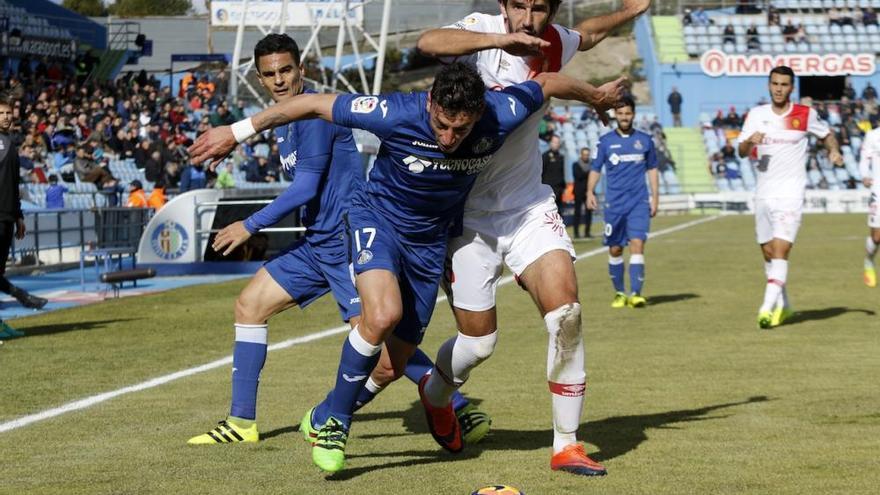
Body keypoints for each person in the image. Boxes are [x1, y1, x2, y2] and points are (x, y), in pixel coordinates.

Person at [190, 61, 620, 473]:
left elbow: (545, 83)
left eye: (462, 129)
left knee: (393, 365)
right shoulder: (395, 112)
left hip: (429, 243)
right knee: (381, 315)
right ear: (431, 103)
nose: (450, 137)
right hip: (376, 219)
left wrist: (595, 96)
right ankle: (336, 425)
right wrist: (237, 131)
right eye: (442, 125)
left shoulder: (501, 112)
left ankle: (324, 412)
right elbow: (312, 103)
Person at [186, 36, 487, 450]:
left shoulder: (314, 114)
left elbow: (306, 186)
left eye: (286, 70)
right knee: (250, 305)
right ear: (259, 77)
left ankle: (455, 404)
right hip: (318, 243)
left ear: (302, 68)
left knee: (377, 339)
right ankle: (241, 421)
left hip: (349, 238)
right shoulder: (284, 123)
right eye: (270, 74)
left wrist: (249, 225)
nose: (279, 80)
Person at [407, 0, 643, 478]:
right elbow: (428, 43)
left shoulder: (554, 40)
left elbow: (589, 33)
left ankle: (566, 446)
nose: (528, 16)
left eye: (539, 7)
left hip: (528, 208)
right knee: (478, 345)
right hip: (468, 218)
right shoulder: (480, 32)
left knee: (567, 315)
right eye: (519, 5)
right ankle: (435, 394)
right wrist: (499, 39)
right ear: (503, 5)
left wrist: (629, 9)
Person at [736, 66, 842, 329]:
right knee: (769, 254)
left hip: (791, 193)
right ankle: (785, 306)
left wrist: (834, 152)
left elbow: (827, 135)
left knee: (781, 251)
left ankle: (765, 309)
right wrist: (751, 141)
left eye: (784, 84)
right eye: (775, 84)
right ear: (769, 85)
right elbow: (740, 150)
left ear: (791, 88)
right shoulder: (757, 115)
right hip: (764, 193)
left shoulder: (805, 114)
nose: (779, 88)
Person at [587, 97, 658, 308]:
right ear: (615, 115)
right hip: (615, 204)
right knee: (616, 249)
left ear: (634, 114)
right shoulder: (605, 142)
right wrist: (590, 191)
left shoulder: (645, 141)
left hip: (639, 201)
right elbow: (596, 168)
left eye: (627, 113)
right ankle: (619, 293)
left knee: (637, 243)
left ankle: (636, 294)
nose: (624, 117)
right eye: (620, 114)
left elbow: (652, 169)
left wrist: (656, 197)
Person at [0, 95, 47, 314]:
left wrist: (18, 215)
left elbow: (12, 182)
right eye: (1, 113)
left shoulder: (10, 143)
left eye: (8, 113)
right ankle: (22, 296)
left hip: (7, 216)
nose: (6, 117)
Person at [858, 124, 880, 287]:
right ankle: (869, 261)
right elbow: (864, 159)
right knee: (877, 236)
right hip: (878, 190)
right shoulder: (873, 135)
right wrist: (865, 175)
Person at [542, 134, 566, 216]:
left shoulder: (561, 157)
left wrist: (564, 187)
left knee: (558, 213)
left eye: (557, 142)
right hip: (548, 191)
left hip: (559, 190)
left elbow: (561, 173)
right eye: (554, 142)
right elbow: (541, 173)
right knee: (549, 213)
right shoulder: (545, 156)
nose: (556, 144)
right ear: (550, 143)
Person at [571, 147, 592, 239]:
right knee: (577, 212)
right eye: (584, 154)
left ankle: (587, 232)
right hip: (578, 192)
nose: (586, 156)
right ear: (581, 155)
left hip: (589, 192)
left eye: (587, 155)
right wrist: (589, 173)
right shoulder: (575, 165)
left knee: (589, 212)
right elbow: (578, 175)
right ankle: (576, 232)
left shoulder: (592, 165)